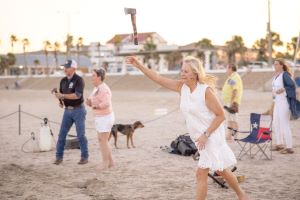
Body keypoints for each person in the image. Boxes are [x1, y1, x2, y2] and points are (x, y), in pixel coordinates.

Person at [126, 56, 248, 200]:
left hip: (211, 135)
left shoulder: (205, 91)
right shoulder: (181, 87)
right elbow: (158, 78)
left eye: (185, 71)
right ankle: (242, 195)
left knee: (202, 173)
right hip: (200, 137)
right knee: (221, 170)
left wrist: (206, 134)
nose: (182, 74)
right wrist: (139, 65)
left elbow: (221, 115)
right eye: (181, 70)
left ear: (195, 73)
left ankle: (241, 195)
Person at [53, 59, 89, 165]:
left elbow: (77, 95)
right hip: (67, 111)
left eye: (67, 67)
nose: (65, 69)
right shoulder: (63, 81)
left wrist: (62, 96)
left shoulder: (79, 80)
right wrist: (60, 101)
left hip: (79, 110)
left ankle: (84, 157)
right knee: (61, 134)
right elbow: (62, 95)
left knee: (81, 135)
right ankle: (59, 158)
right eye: (64, 67)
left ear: (73, 68)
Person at [86, 68, 115, 171]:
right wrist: (89, 102)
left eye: (93, 75)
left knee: (103, 141)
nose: (91, 77)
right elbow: (92, 100)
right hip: (100, 117)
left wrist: (96, 106)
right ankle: (110, 162)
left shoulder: (104, 89)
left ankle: (105, 163)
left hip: (105, 117)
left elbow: (106, 103)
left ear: (99, 77)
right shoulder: (97, 88)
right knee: (102, 140)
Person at [271, 58, 300, 154]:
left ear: (281, 65)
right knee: (276, 122)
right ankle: (279, 144)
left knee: (284, 124)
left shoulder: (285, 75)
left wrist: (283, 89)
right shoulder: (276, 76)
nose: (274, 66)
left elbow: (292, 85)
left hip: (284, 102)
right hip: (277, 102)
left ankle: (289, 147)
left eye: (276, 64)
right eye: (274, 64)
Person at [221, 64, 243, 140]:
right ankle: (229, 135)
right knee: (230, 119)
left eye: (227, 68)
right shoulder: (231, 77)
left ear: (231, 69)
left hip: (232, 102)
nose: (226, 70)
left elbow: (235, 90)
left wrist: (232, 102)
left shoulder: (235, 77)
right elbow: (228, 88)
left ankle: (235, 136)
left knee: (234, 119)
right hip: (227, 101)